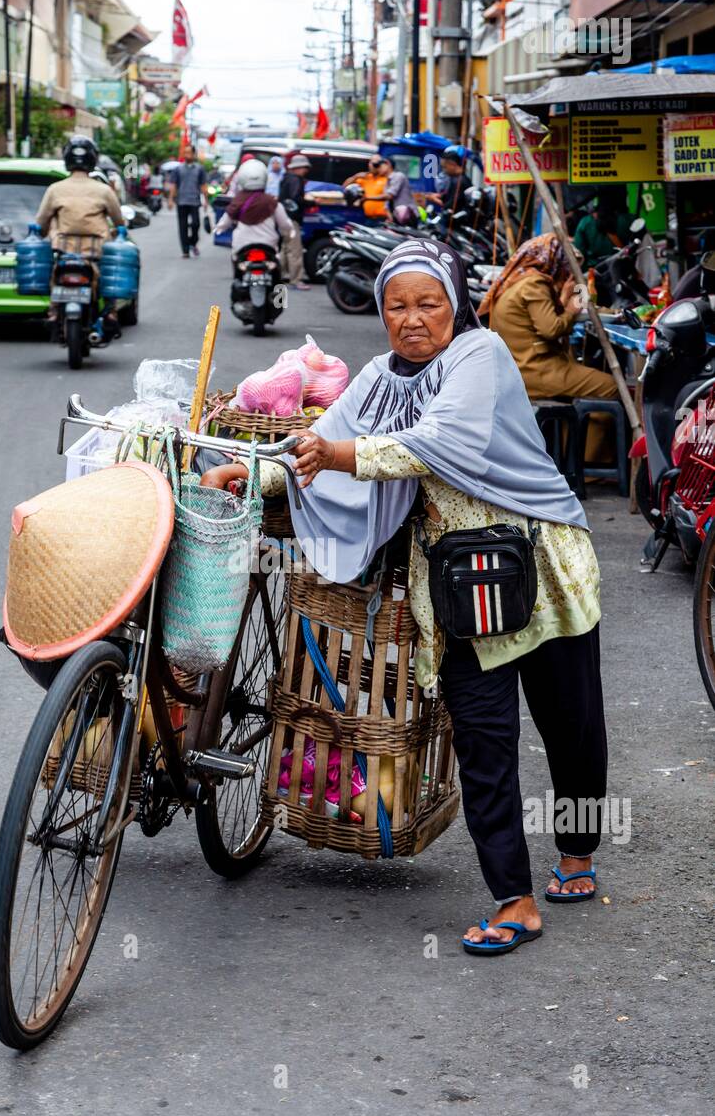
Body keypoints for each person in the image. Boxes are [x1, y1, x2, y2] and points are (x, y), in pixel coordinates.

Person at [203, 236, 606, 953]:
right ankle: (513, 899)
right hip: (459, 589)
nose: (412, 318)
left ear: (454, 303)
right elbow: (320, 441)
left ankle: (576, 851)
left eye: (428, 303)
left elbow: (437, 443)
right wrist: (254, 474)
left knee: (570, 726)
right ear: (381, 312)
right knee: (485, 739)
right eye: (396, 305)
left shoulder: (479, 358)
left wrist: (339, 455)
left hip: (542, 568)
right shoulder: (377, 380)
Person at [479, 234, 618, 463]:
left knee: (583, 391)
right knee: (610, 387)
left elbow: (538, 321)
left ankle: (574, 458)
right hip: (536, 370)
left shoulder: (517, 281)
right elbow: (551, 329)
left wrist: (563, 301)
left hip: (520, 368)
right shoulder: (534, 283)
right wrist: (572, 310)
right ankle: (589, 462)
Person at [35, 134, 124, 341]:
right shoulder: (104, 190)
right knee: (108, 279)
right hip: (96, 252)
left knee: (53, 275)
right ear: (93, 160)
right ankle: (110, 312)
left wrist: (41, 233)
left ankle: (54, 311)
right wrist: (118, 229)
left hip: (63, 251)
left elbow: (41, 222)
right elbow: (119, 221)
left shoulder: (55, 189)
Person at [213, 157, 293, 260]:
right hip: (269, 244)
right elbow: (285, 224)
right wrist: (290, 232)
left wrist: (217, 230)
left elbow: (224, 223)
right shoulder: (272, 202)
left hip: (242, 245)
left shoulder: (238, 201)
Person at [573, 188, 633, 271]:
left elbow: (579, 253)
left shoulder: (585, 222)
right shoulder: (629, 220)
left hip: (595, 272)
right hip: (623, 270)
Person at [278, 152, 312, 290]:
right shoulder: (295, 180)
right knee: (295, 250)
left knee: (285, 249)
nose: (306, 171)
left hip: (283, 218)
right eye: (304, 168)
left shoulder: (286, 178)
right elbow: (296, 199)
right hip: (292, 218)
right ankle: (296, 279)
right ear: (298, 168)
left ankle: (282, 275)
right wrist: (312, 202)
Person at [170, 145, 209, 258]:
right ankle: (185, 250)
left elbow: (203, 185)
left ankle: (193, 242)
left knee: (196, 224)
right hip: (181, 201)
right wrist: (171, 199)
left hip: (195, 201)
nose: (186, 155)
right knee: (182, 226)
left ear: (193, 154)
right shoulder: (178, 169)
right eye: (185, 153)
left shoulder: (199, 169)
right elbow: (174, 185)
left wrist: (206, 200)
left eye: (189, 153)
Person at [424, 143, 468, 213]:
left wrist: (435, 199)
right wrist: (437, 196)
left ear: (452, 164)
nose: (444, 170)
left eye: (445, 167)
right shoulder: (455, 179)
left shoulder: (459, 182)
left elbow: (452, 205)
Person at [376, 156, 418, 225]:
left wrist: (367, 198)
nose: (378, 169)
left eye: (380, 166)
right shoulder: (387, 183)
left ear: (388, 164)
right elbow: (387, 205)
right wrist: (390, 217)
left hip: (408, 218)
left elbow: (389, 196)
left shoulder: (399, 176)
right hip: (397, 219)